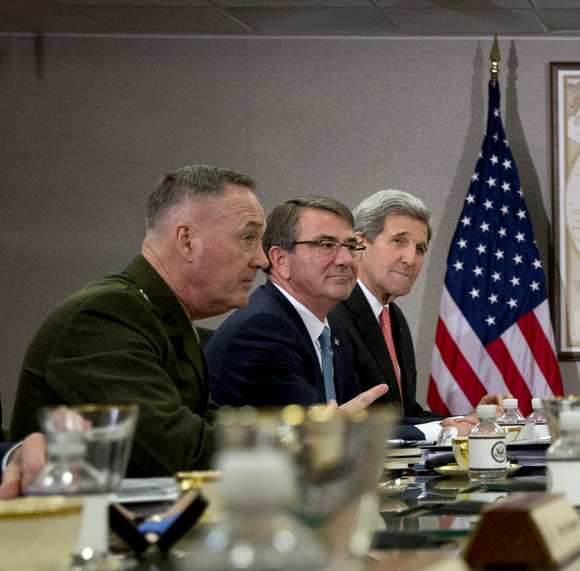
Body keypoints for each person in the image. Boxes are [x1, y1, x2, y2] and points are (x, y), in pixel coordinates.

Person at [10, 166, 275, 477]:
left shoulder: (162, 315)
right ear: (187, 240)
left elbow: (214, 423)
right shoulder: (105, 315)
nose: (262, 259)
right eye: (248, 238)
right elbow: (182, 453)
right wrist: (306, 439)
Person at [206, 196, 387, 409]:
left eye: (350, 246)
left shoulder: (333, 330)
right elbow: (310, 432)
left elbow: (357, 417)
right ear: (281, 260)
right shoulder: (262, 331)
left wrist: (432, 429)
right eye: (326, 245)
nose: (346, 260)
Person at [329, 190, 472, 442]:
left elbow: (403, 414)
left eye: (420, 249)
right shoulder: (333, 314)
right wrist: (444, 431)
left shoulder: (393, 317)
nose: (411, 259)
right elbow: (351, 423)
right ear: (358, 244)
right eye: (399, 241)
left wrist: (469, 421)